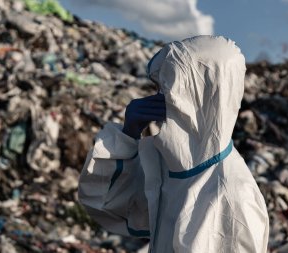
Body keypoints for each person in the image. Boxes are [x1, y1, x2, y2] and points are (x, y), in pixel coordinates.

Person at [78, 35, 269, 252]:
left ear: (202, 95)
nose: (161, 98)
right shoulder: (172, 168)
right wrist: (127, 136)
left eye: (169, 90)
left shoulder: (233, 196)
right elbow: (108, 204)